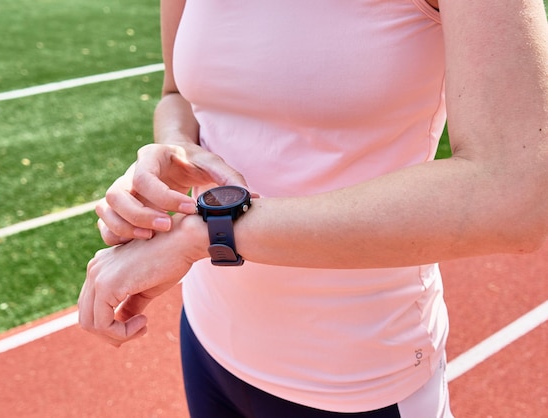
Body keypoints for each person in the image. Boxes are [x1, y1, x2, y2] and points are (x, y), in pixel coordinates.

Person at [78, 0, 548, 416]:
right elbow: (177, 95)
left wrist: (203, 235)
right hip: (208, 339)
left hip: (356, 377)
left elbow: (513, 197)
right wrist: (176, 152)